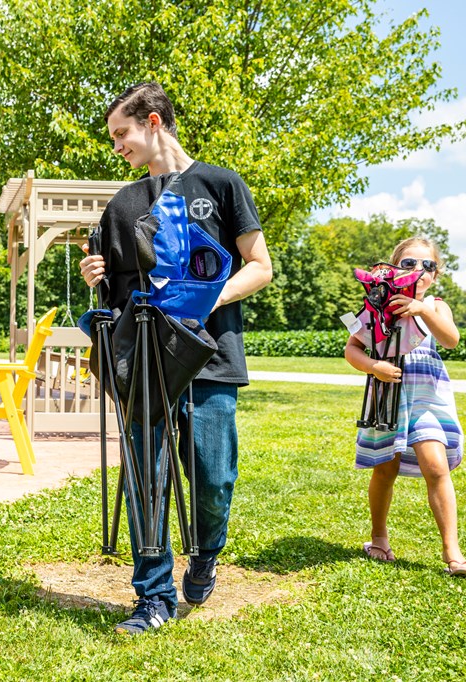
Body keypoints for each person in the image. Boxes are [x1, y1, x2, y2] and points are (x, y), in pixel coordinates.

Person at [79, 82, 272, 634]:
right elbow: (117, 298)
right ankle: (153, 594)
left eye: (122, 133)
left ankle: (206, 552)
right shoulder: (123, 205)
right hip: (147, 363)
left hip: (211, 357)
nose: (117, 145)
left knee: (214, 477)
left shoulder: (221, 183)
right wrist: (98, 279)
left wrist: (209, 298)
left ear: (155, 122)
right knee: (147, 477)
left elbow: (260, 266)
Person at [345, 237, 466, 579]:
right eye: (409, 264)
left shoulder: (437, 305)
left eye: (427, 265)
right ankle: (379, 538)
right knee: (385, 470)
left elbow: (450, 339)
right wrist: (374, 367)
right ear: (391, 270)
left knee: (436, 466)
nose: (419, 270)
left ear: (435, 274)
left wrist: (424, 310)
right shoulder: (376, 305)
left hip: (426, 398)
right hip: (388, 397)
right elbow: (352, 349)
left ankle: (453, 553)